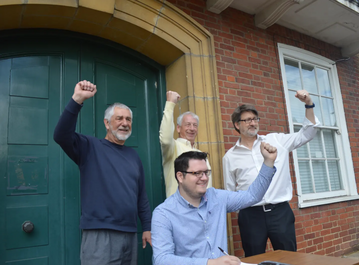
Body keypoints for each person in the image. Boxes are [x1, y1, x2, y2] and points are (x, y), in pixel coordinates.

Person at [53, 80, 152, 265]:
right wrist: (77, 99)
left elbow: (141, 196)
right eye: (119, 118)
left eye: (128, 119)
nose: (124, 123)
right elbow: (61, 135)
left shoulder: (133, 156)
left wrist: (147, 227)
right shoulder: (89, 147)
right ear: (107, 123)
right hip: (100, 233)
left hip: (130, 233)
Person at [223, 90, 320, 257]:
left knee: (289, 259)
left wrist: (309, 104)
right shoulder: (229, 157)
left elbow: (307, 133)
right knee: (254, 259)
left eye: (255, 119)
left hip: (280, 213)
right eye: (247, 120)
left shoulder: (276, 141)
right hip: (250, 216)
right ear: (237, 125)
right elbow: (230, 194)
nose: (252, 123)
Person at [151, 142, 277, 265]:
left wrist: (268, 162)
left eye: (206, 172)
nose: (205, 178)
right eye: (197, 173)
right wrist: (210, 263)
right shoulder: (164, 213)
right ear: (180, 176)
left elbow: (252, 196)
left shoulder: (217, 197)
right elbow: (162, 259)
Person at [159, 90, 212, 197]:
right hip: (180, 209)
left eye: (195, 125)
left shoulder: (201, 154)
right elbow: (165, 139)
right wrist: (170, 104)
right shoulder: (173, 148)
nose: (192, 129)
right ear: (178, 128)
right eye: (187, 125)